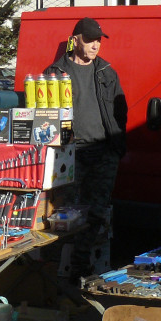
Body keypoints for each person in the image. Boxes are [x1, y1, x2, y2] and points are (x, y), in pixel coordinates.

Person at [45, 17, 127, 282]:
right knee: (67, 214)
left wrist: (115, 144)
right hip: (70, 154)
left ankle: (81, 268)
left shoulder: (106, 71)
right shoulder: (55, 73)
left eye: (99, 41)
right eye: (90, 40)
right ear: (76, 39)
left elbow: (120, 110)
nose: (95, 46)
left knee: (98, 211)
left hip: (103, 152)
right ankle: (57, 273)